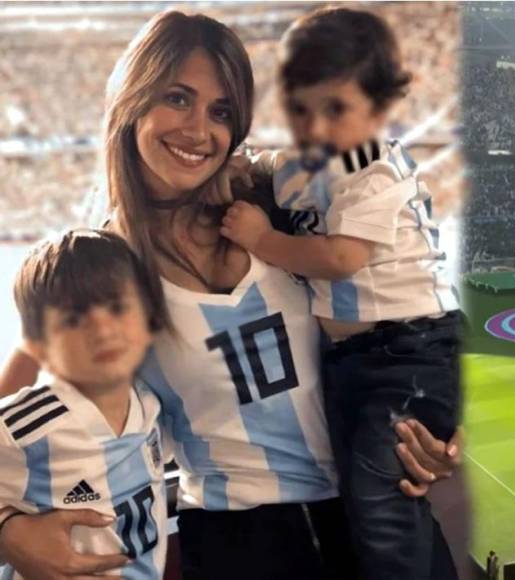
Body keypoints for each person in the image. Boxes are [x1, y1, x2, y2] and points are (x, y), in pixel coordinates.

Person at [0, 11, 460, 580]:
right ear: (132, 99)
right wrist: (7, 528)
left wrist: (434, 424)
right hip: (240, 545)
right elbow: (13, 408)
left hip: (372, 518)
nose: (200, 130)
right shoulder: (101, 266)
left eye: (221, 111)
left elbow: (401, 309)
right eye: (178, 98)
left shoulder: (280, 204)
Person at [218, 8, 460, 578]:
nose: (317, 127)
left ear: (378, 107)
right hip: (355, 359)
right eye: (302, 109)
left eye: (336, 109)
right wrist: (240, 169)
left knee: (383, 504)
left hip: (410, 353)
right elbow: (268, 167)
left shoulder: (370, 164)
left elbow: (341, 259)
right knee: (368, 497)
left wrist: (265, 238)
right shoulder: (310, 163)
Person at [1, 231, 167, 580]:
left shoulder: (149, 402)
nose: (103, 330)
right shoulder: (25, 426)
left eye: (117, 307)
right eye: (74, 319)